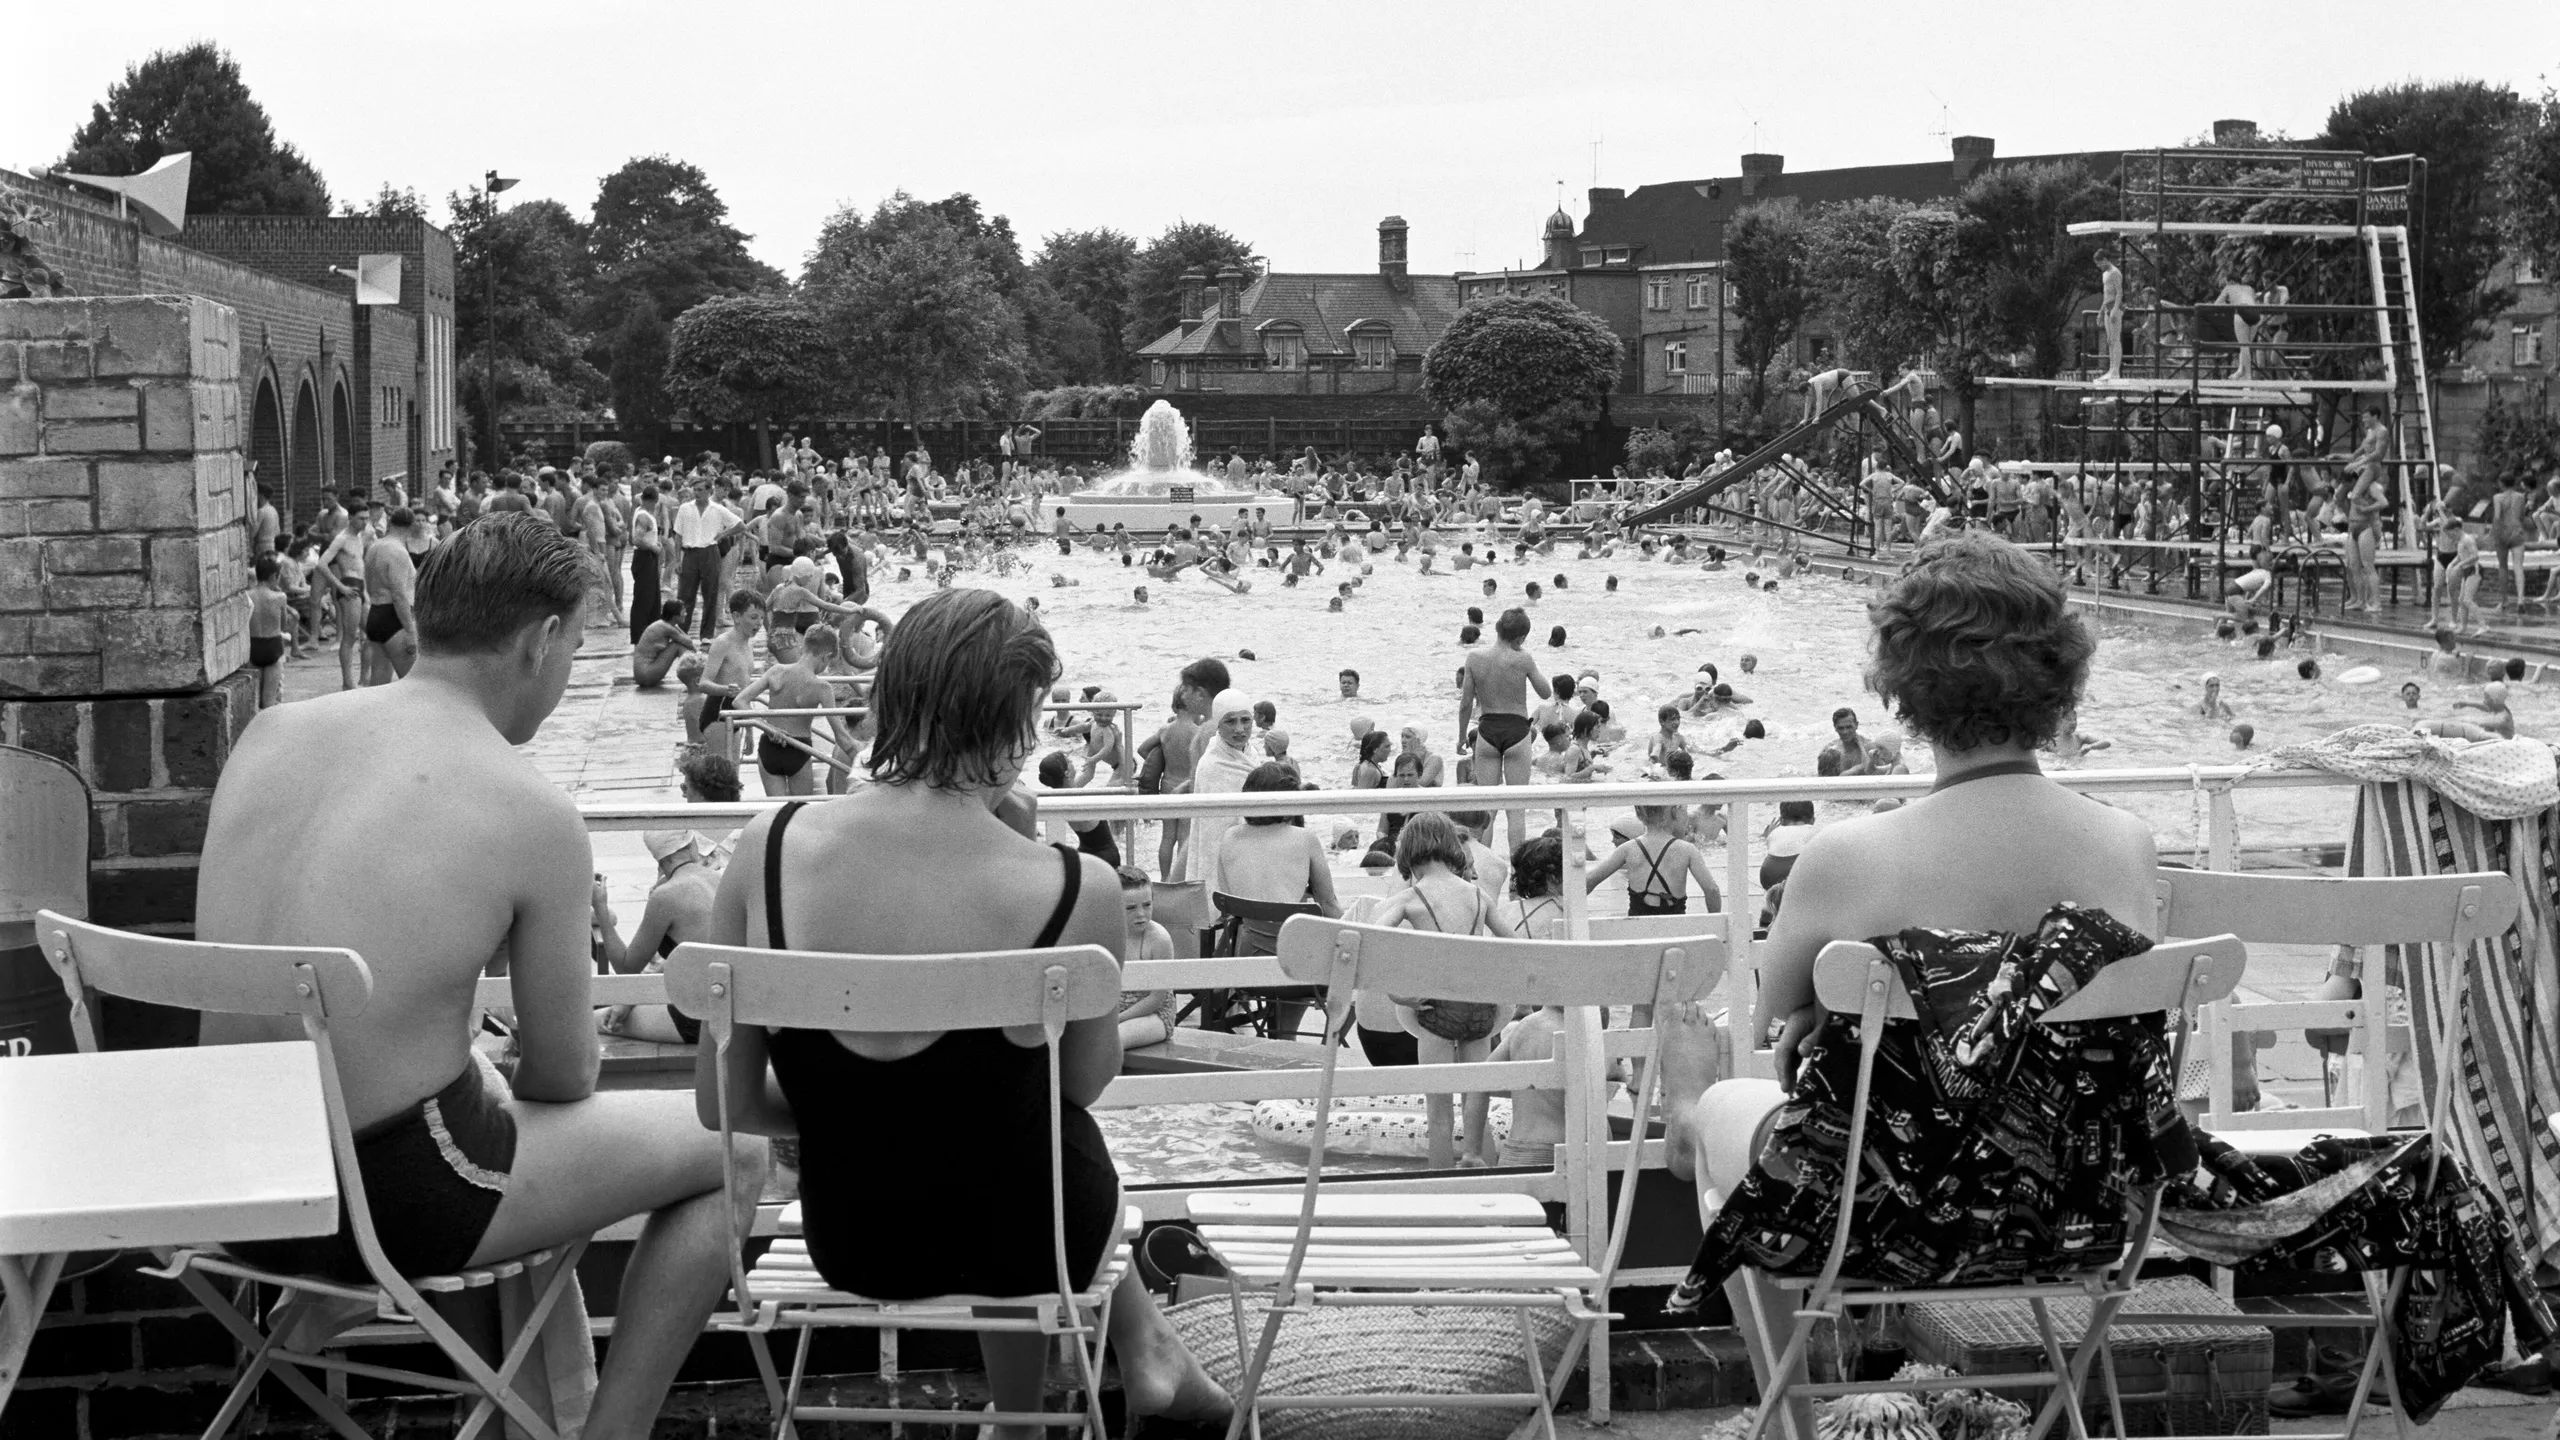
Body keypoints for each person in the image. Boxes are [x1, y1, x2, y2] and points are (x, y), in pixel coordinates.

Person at [196, 514, 765, 1437]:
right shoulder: (529, 808)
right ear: (542, 640)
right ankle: (609, 1430)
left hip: (226, 1178)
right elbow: (566, 1079)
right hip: (380, 1203)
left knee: (469, 1093)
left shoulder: (269, 733)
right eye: (577, 650)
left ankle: (396, 1329)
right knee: (735, 1151)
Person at [693, 587, 1229, 1437]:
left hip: (859, 1240)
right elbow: (1082, 1088)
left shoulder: (769, 846)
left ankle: (1072, 1392)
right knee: (1024, 1125)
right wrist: (1024, 843)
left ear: (890, 696)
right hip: (1030, 1241)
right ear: (1019, 723)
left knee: (985, 1124)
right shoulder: (1074, 888)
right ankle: (1128, 1362)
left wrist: (863, 1112)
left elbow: (724, 1106)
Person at [1660, 533, 2157, 1186]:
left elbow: (1769, 1015)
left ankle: (1686, 1112)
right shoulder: (2126, 843)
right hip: (2074, 1210)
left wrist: (1827, 1007)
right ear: (2061, 676)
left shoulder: (1844, 857)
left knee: (1733, 1107)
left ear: (1902, 686)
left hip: (1877, 1216)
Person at [1370, 812, 1521, 1169]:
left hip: (1435, 1008)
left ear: (1407, 851)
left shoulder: (1411, 898)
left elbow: (1370, 943)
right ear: (1451, 847)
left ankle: (1442, 1184)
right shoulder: (1479, 896)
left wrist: (1397, 994)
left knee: (1439, 1113)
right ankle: (1481, 1170)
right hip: (1480, 1010)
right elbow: (1515, 947)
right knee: (1475, 1103)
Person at [600, 830, 724, 1044]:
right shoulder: (720, 880)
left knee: (592, 1019)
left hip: (699, 1016)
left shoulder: (665, 895)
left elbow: (626, 969)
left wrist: (600, 907)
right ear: (693, 845)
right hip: (729, 1002)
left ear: (659, 859)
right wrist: (630, 1001)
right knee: (613, 1004)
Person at [1459, 607, 1555, 853]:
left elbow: (1466, 704)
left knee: (1487, 808)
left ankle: (1480, 864)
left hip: (1488, 728)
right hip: (1516, 731)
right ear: (1520, 638)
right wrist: (1524, 656)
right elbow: (1545, 692)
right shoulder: (1522, 658)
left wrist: (1461, 737)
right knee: (1516, 809)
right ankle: (1517, 873)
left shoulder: (1474, 658)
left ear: (1497, 628)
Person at [1587, 804, 1720, 916]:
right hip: (1675, 930)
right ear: (1674, 813)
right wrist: (1715, 922)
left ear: (1639, 816)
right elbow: (1712, 889)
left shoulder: (1627, 849)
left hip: (1639, 930)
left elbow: (1590, 880)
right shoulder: (1688, 850)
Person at [696, 592, 764, 762]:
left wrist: (749, 728)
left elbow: (745, 688)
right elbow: (703, 683)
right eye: (754, 617)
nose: (759, 624)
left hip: (736, 714)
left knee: (733, 776)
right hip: (719, 713)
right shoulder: (723, 642)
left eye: (762, 618)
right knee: (723, 778)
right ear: (736, 616)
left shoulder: (748, 644)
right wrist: (724, 689)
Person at [670, 483, 741, 639]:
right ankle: (682, 632)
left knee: (710, 595)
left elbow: (740, 525)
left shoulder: (718, 509)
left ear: (709, 491)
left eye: (700, 490)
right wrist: (677, 560)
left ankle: (707, 635)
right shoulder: (685, 508)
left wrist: (723, 535)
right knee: (685, 595)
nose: (697, 493)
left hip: (710, 552)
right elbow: (678, 535)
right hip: (690, 552)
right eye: (695, 489)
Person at [360, 508, 422, 686]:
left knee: (379, 686)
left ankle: (374, 715)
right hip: (394, 620)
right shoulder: (397, 551)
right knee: (413, 685)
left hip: (375, 614)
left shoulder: (374, 547)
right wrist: (410, 631)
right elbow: (399, 595)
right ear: (410, 527)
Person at [317, 502, 371, 691]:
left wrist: (366, 594)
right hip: (348, 586)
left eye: (367, 518)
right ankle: (348, 682)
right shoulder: (342, 538)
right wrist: (340, 585)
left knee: (371, 634)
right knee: (350, 637)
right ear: (351, 518)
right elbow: (321, 564)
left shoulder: (359, 538)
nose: (364, 522)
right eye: (361, 518)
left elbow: (360, 566)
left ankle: (365, 679)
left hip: (360, 588)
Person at [247, 553, 291, 707]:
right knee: (269, 700)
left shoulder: (247, 596)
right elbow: (284, 625)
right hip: (272, 645)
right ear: (274, 576)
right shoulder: (280, 597)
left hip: (252, 646)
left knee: (254, 699)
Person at [628, 484, 665, 645]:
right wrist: (654, 547)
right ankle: (640, 636)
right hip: (645, 557)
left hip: (648, 557)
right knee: (644, 598)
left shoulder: (639, 510)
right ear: (655, 501)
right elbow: (636, 539)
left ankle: (651, 632)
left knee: (653, 598)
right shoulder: (644, 517)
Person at [633, 600, 696, 688]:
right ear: (675, 616)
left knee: (679, 644)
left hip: (643, 675)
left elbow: (688, 641)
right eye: (683, 612)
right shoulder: (666, 627)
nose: (686, 614)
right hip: (646, 674)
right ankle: (694, 681)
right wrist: (700, 660)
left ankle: (697, 676)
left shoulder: (665, 624)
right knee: (677, 646)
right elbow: (689, 643)